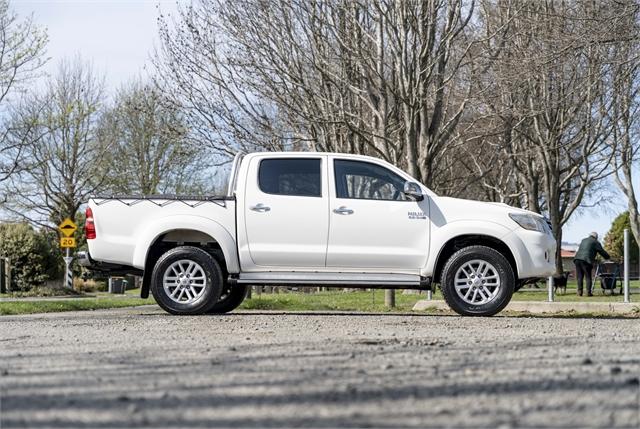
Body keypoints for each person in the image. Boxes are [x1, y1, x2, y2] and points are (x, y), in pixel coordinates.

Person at [573, 232, 610, 297]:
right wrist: (608, 257)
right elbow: (601, 251)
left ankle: (579, 292)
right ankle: (588, 292)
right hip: (586, 260)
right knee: (588, 277)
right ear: (596, 237)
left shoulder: (583, 240)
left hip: (577, 259)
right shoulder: (596, 242)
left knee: (579, 277)